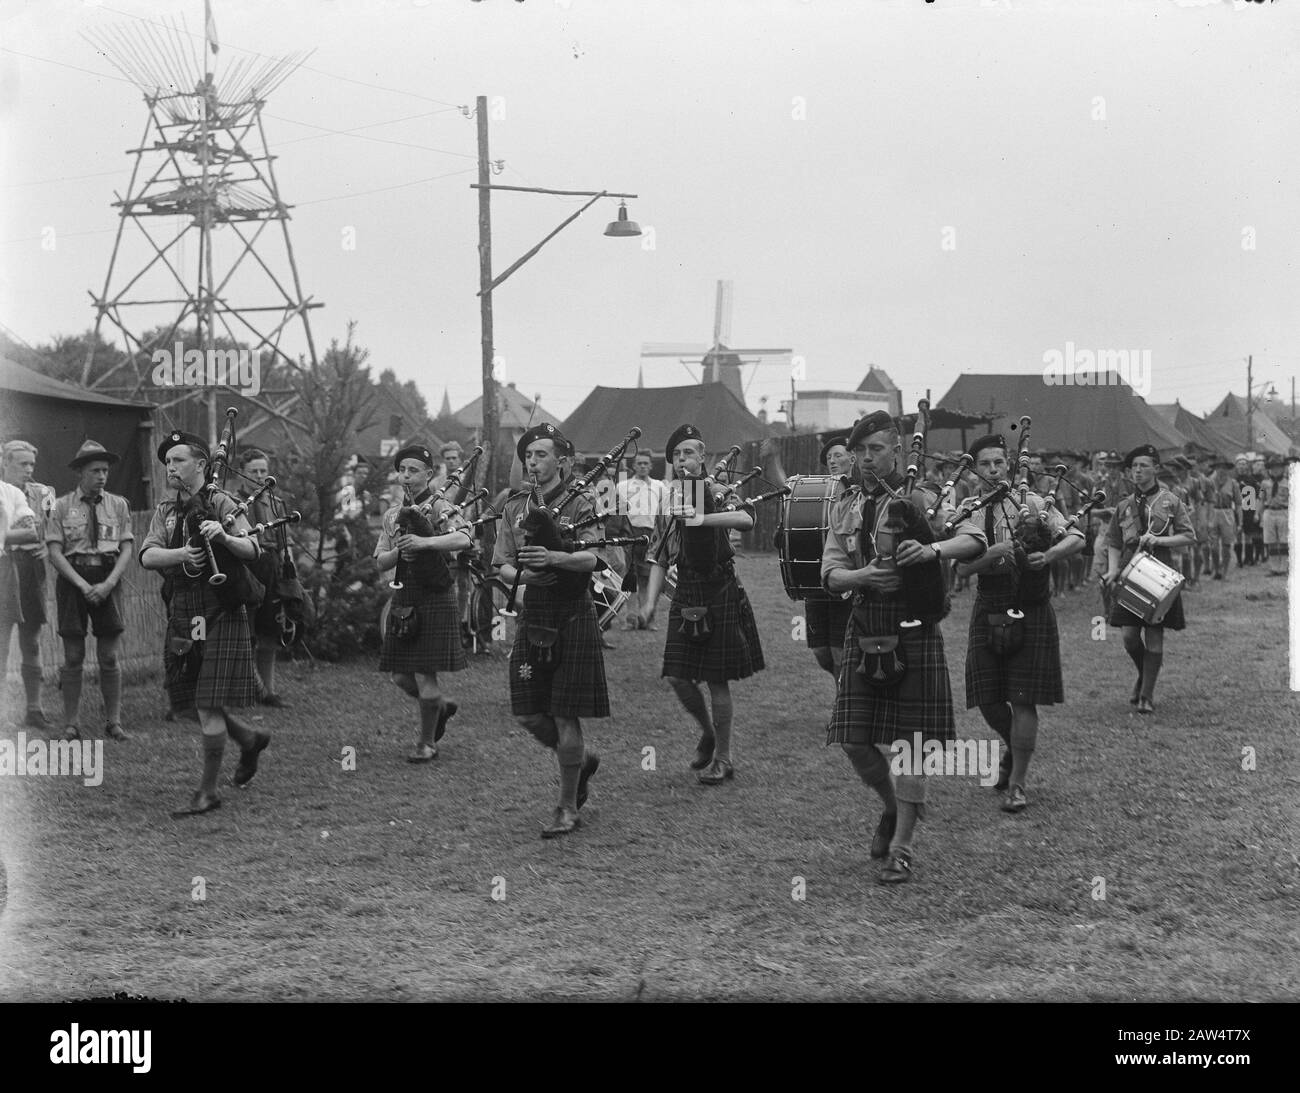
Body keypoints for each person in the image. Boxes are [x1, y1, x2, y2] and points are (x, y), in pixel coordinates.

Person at [820, 411, 986, 883]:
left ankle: (903, 847)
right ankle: (894, 806)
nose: (866, 458)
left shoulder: (927, 496)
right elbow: (831, 573)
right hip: (865, 618)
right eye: (860, 451)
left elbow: (973, 538)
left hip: (913, 625)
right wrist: (862, 576)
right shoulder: (845, 503)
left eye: (875, 449)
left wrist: (933, 549)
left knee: (911, 745)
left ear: (896, 448)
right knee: (853, 739)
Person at [139, 431, 268, 817]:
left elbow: (254, 548)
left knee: (209, 702)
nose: (171, 467)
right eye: (167, 462)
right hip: (184, 612)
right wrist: (181, 554)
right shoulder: (165, 511)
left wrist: (225, 536)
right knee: (187, 703)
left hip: (221, 608)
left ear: (200, 465)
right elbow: (147, 556)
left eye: (178, 460)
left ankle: (208, 792)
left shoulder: (222, 501)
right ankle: (249, 738)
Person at [956, 434, 1085, 813]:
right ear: (975, 469)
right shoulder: (968, 510)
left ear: (1010, 463)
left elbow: (1076, 537)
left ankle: (1018, 783)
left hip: (1032, 607)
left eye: (999, 462)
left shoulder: (1034, 503)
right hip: (989, 605)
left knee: (1023, 699)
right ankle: (1013, 746)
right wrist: (992, 555)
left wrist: (1048, 556)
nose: (993, 470)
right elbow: (961, 569)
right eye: (985, 464)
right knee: (989, 700)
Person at [493, 423, 605, 838]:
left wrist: (554, 558)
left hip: (573, 613)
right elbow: (502, 563)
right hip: (533, 613)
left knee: (563, 713)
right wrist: (523, 580)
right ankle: (581, 760)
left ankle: (566, 806)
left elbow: (593, 559)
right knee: (526, 712)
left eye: (541, 455)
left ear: (561, 461)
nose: (533, 463)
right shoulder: (514, 505)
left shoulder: (583, 500)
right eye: (528, 456)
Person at [642, 424, 765, 787]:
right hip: (687, 590)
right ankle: (708, 732)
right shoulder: (669, 501)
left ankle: (724, 759)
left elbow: (746, 519)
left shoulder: (714, 490)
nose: (682, 461)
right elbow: (658, 557)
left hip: (719, 586)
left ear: (702, 457)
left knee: (716, 680)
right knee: (679, 676)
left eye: (689, 453)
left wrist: (702, 517)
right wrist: (649, 602)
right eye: (677, 455)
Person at [375, 443, 470, 762]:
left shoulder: (442, 505)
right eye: (402, 470)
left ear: (429, 474)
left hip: (435, 593)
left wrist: (425, 541)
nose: (406, 476)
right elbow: (380, 562)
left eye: (413, 471)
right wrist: (400, 551)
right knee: (400, 676)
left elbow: (464, 539)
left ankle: (426, 743)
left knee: (426, 675)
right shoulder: (392, 514)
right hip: (405, 594)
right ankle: (440, 707)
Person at [45, 441, 135, 743]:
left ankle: (114, 722)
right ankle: (71, 724)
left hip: (107, 577)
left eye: (105, 471)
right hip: (74, 580)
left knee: (109, 656)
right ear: (81, 472)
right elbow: (55, 552)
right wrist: (82, 585)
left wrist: (108, 584)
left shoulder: (119, 504)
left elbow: (126, 548)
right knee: (73, 656)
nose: (102, 476)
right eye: (95, 470)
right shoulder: (61, 506)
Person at [1102, 445, 1196, 715]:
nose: (1138, 471)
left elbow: (1188, 536)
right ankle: (1145, 675)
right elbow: (1114, 542)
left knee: (1154, 634)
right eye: (1134, 467)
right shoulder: (1124, 506)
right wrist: (1111, 570)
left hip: (1159, 572)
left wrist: (1160, 539)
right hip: (1130, 572)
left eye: (1144, 465)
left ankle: (1147, 695)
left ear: (1156, 468)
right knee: (1130, 637)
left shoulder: (1171, 501)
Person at [0, 440, 54, 730]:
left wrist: (47, 547)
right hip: (3, 569)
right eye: (22, 464)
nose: (29, 470)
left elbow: (55, 527)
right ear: (5, 463)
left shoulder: (45, 493)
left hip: (32, 570)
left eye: (32, 464)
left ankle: (34, 709)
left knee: (31, 641)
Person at [237, 448, 292, 706]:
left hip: (271, 567)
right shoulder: (231, 503)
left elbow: (284, 544)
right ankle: (249, 689)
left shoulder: (276, 504)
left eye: (263, 471)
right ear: (242, 474)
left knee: (270, 630)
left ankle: (268, 691)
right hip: (245, 568)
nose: (259, 476)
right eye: (253, 471)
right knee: (245, 632)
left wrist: (288, 575)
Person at [802, 430, 856, 677]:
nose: (832, 460)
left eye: (838, 455)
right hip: (816, 579)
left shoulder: (859, 490)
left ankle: (843, 708)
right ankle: (843, 693)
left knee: (840, 653)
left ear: (852, 459)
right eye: (829, 457)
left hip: (845, 578)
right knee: (821, 653)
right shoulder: (816, 492)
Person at [614, 449, 668, 630]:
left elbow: (664, 512)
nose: (643, 466)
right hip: (629, 534)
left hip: (650, 535)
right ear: (634, 465)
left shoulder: (660, 486)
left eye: (646, 463)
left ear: (651, 466)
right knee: (630, 579)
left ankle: (646, 617)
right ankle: (630, 619)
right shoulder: (623, 486)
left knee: (647, 577)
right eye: (639, 463)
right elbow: (618, 513)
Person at [1205, 460, 1240, 581]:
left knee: (1226, 544)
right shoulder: (1208, 481)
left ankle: (1224, 572)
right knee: (1213, 545)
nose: (1221, 469)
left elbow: (1238, 503)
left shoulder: (1233, 483)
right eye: (1219, 467)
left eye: (1224, 467)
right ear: (1215, 468)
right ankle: (1216, 570)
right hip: (1213, 511)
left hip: (1227, 513)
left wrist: (1239, 521)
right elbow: (1204, 500)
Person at [1260, 455, 1290, 576]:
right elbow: (1260, 499)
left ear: (1283, 469)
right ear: (1269, 469)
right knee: (1270, 540)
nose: (1275, 470)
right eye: (1273, 468)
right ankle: (1273, 567)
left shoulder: (1289, 483)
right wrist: (1258, 514)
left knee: (1283, 540)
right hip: (1269, 512)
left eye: (1278, 467)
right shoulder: (1264, 484)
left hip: (1283, 511)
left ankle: (1283, 568)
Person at [1233, 454, 1259, 567]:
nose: (1242, 466)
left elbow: (1259, 494)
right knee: (1238, 535)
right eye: (1240, 464)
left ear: (1247, 466)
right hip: (1236, 511)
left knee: (1248, 535)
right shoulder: (1233, 480)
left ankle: (1249, 558)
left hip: (1249, 510)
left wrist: (1256, 511)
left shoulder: (1252, 480)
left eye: (1244, 464)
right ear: (1236, 466)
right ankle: (1239, 561)